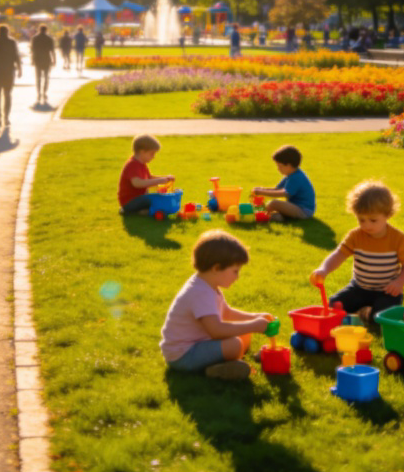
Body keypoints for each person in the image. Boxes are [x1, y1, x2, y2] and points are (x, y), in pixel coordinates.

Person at [160, 230, 274, 381]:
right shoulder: (200, 292)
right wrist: (254, 325)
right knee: (234, 344)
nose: (237, 277)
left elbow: (226, 313)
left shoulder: (209, 285)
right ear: (216, 268)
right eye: (235, 271)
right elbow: (216, 331)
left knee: (244, 332)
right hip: (183, 355)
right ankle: (218, 369)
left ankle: (230, 364)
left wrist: (256, 317)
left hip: (198, 345)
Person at [311, 181, 404, 324]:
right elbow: (339, 254)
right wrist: (324, 269)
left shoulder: (398, 239)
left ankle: (367, 313)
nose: (366, 225)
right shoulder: (355, 236)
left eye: (373, 220)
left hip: (388, 291)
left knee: (380, 319)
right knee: (334, 306)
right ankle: (361, 310)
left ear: (388, 214)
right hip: (359, 288)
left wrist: (399, 283)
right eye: (361, 220)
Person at [251, 144, 315, 223]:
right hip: (296, 207)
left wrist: (262, 192)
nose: (278, 169)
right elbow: (277, 189)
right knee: (276, 214)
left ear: (289, 165)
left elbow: (284, 193)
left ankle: (255, 214)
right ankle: (274, 217)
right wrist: (262, 189)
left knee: (273, 203)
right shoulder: (291, 175)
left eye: (280, 166)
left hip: (304, 211)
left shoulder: (297, 177)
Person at [117, 134, 174, 214]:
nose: (153, 157)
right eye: (152, 154)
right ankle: (132, 211)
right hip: (129, 202)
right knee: (154, 200)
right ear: (142, 152)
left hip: (139, 199)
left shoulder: (142, 164)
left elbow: (149, 178)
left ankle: (142, 211)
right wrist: (159, 181)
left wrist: (165, 178)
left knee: (157, 198)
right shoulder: (133, 165)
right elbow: (137, 183)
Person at [30, 23, 56, 103]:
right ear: (46, 30)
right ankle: (44, 92)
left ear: (39, 29)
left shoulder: (35, 38)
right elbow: (52, 50)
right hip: (46, 59)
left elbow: (32, 50)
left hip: (37, 59)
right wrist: (54, 59)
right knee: (46, 77)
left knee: (38, 78)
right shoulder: (49, 38)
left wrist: (32, 60)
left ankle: (38, 93)